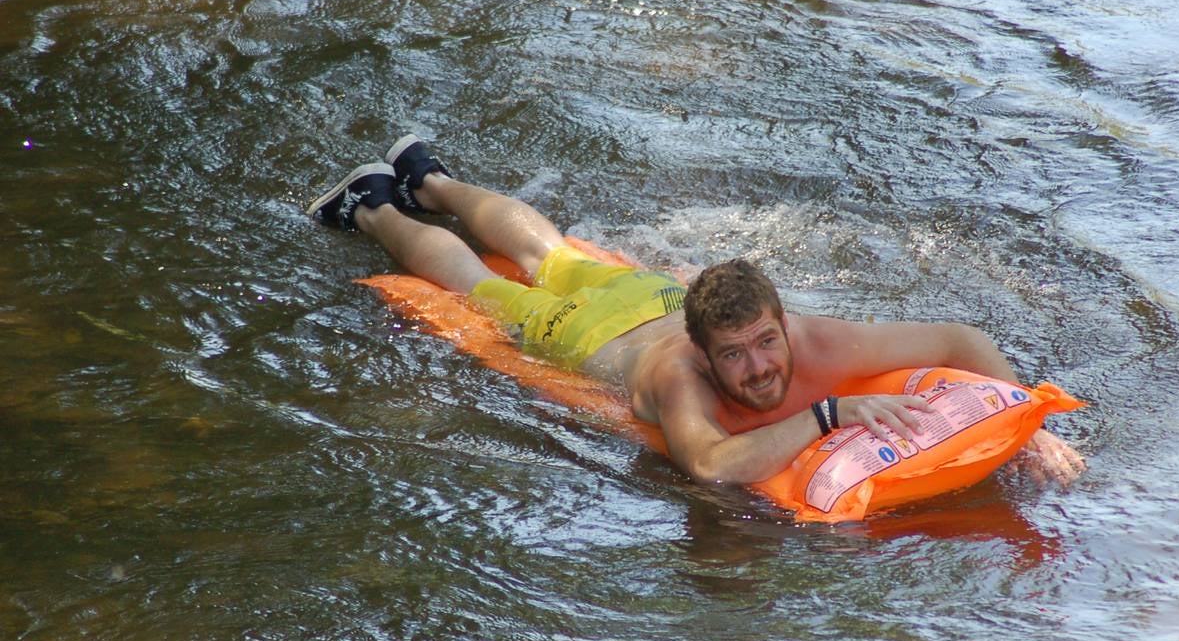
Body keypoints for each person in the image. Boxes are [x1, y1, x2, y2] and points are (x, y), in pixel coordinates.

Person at [308, 135, 1087, 487]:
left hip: (654, 293)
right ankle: (375, 203)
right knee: (484, 285)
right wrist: (827, 416)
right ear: (704, 351)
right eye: (735, 356)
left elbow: (961, 337)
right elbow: (710, 467)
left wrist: (1029, 428)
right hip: (592, 333)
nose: (758, 367)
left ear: (783, 324)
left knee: (550, 253)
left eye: (764, 343)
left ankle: (432, 177)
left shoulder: (812, 340)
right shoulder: (685, 376)